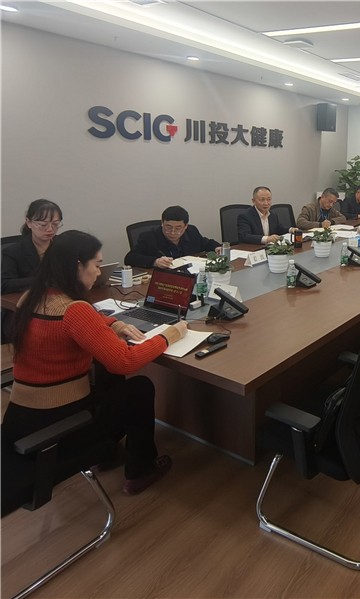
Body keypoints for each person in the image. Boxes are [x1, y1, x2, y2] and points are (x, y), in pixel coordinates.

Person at [2, 231, 187, 500]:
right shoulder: (74, 310)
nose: (99, 273)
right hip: (56, 434)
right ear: (77, 265)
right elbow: (125, 361)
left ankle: (108, 455)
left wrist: (116, 324)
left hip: (21, 423)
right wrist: (169, 335)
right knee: (139, 388)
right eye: (97, 265)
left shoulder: (31, 296)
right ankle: (140, 471)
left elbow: (89, 321)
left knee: (107, 376)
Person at [124, 205, 220, 268]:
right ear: (162, 223)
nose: (173, 232)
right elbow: (130, 258)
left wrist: (218, 248)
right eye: (168, 227)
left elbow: (206, 243)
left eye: (178, 228)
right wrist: (155, 262)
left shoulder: (192, 231)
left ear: (186, 226)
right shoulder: (149, 237)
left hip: (189, 275)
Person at [1, 199, 63, 293]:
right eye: (43, 225)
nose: (50, 229)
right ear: (29, 222)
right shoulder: (13, 252)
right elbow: (5, 285)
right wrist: (43, 280)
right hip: (28, 299)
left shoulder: (64, 245)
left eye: (55, 224)